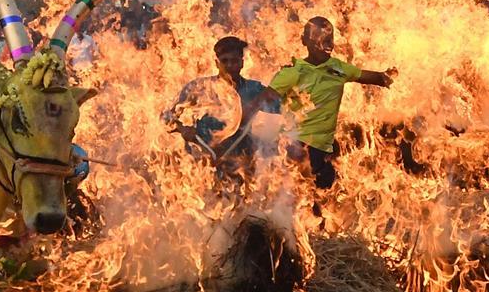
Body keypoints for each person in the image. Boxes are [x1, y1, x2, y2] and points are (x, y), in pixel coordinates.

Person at [247, 16, 395, 190]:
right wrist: (239, 130)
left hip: (323, 149)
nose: (327, 45)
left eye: (329, 39)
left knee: (325, 200)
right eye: (319, 39)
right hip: (296, 146)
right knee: (303, 198)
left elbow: (377, 78)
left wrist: (391, 75)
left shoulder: (339, 68)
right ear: (305, 41)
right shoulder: (293, 73)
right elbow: (259, 102)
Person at [165, 36, 276, 164]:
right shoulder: (199, 88)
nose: (229, 65)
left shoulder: (254, 89)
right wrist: (183, 128)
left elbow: (287, 108)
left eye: (234, 61)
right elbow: (166, 117)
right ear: (217, 63)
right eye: (224, 61)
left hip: (241, 165)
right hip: (205, 163)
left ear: (242, 63)